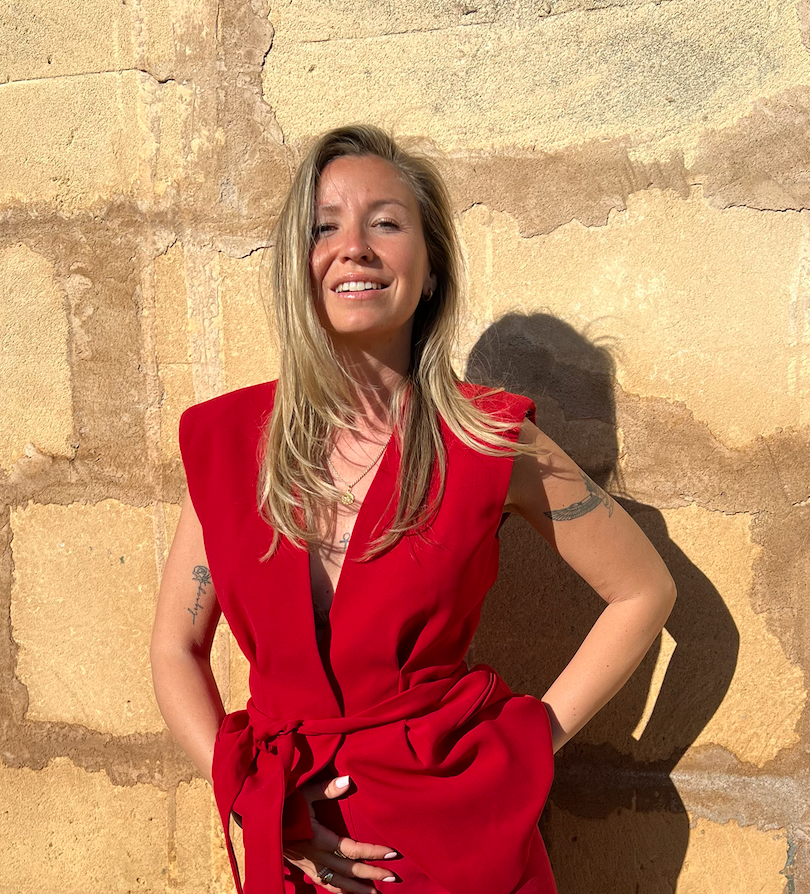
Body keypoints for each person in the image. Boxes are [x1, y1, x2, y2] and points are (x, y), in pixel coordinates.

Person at [150, 124, 677, 894]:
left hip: (459, 844)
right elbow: (176, 647)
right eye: (324, 227)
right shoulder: (229, 443)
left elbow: (643, 591)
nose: (353, 248)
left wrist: (527, 749)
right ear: (297, 264)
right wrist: (251, 797)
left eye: (386, 223)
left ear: (429, 271)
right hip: (292, 845)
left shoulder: (489, 438)